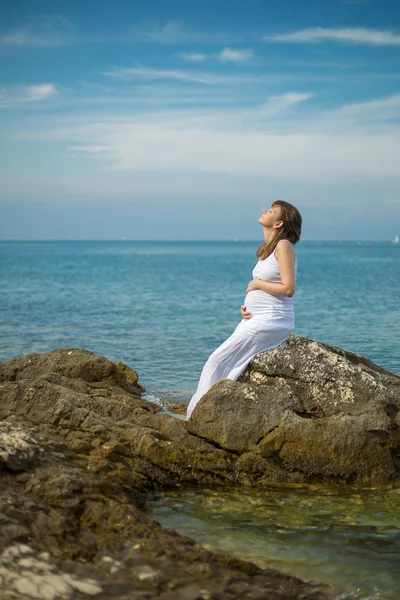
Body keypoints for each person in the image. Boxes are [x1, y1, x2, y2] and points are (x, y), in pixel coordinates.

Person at [186, 200, 302, 420]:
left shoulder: (284, 246)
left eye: (271, 210)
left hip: (273, 319)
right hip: (257, 317)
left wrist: (257, 286)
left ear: (278, 223)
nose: (264, 210)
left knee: (216, 361)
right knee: (231, 364)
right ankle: (208, 413)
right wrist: (248, 305)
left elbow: (288, 289)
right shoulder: (265, 250)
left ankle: (197, 416)